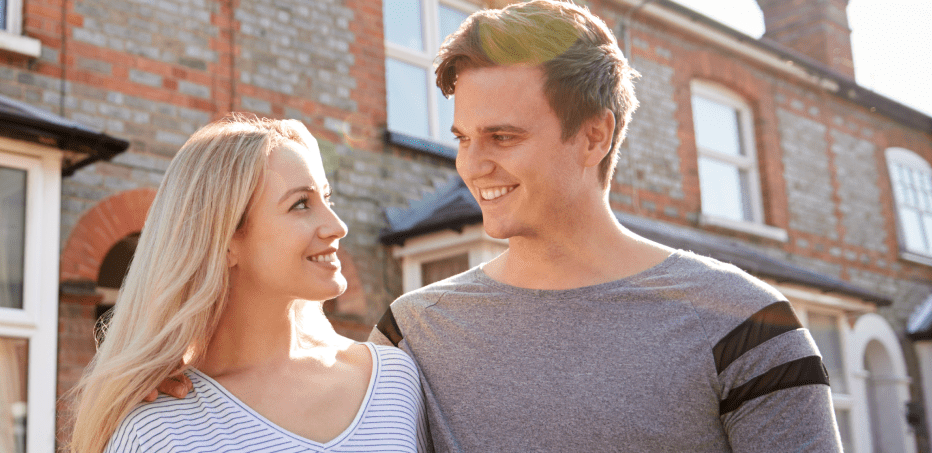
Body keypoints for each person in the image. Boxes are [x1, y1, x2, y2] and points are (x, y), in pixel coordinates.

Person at [369, 1, 840, 451]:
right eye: (463, 139)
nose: (472, 166)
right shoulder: (409, 334)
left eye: (503, 137)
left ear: (595, 136)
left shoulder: (747, 323)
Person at [69, 115, 425, 453]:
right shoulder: (158, 430)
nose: (337, 226)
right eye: (301, 204)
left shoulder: (394, 379)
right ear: (225, 241)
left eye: (326, 198)